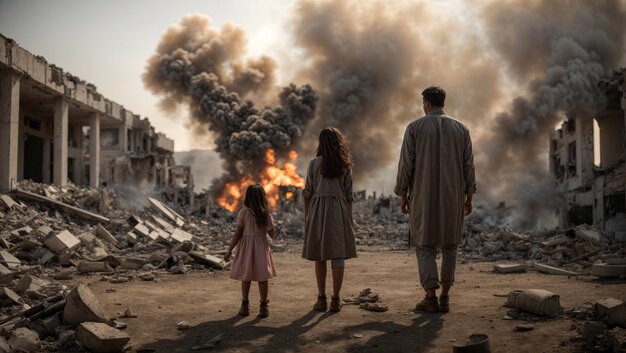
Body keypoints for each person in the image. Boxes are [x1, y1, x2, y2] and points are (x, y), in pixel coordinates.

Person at [395, 86, 476, 313]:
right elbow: (468, 165)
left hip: (422, 196)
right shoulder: (462, 129)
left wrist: (403, 194)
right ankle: (445, 298)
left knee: (425, 245)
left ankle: (430, 297)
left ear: (427, 104)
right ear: (443, 102)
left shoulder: (414, 128)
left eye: (423, 102)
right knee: (451, 246)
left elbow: (406, 164)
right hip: (453, 197)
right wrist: (469, 196)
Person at [302, 127, 357, 312]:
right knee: (338, 255)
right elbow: (349, 195)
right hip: (339, 211)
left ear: (321, 143)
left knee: (320, 255)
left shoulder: (314, 163)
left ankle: (321, 298)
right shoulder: (345, 165)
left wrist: (307, 216)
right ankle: (335, 299)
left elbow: (307, 193)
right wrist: (348, 218)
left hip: (318, 210)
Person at [224, 184, 277, 318]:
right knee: (262, 278)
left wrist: (230, 250)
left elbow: (237, 233)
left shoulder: (244, 213)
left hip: (246, 248)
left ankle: (245, 305)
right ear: (262, 198)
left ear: (247, 197)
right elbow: (272, 235)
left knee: (245, 276)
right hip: (261, 248)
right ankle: (263, 306)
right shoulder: (266, 214)